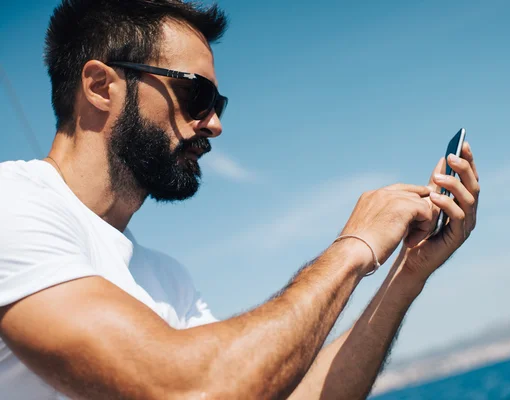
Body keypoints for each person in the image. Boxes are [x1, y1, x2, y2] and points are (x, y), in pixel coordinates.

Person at [0, 1, 480, 399]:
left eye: (217, 105)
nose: (213, 124)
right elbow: (195, 389)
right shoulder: (12, 205)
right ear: (101, 86)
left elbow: (278, 391)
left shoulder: (167, 278)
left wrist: (406, 272)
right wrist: (354, 247)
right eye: (196, 95)